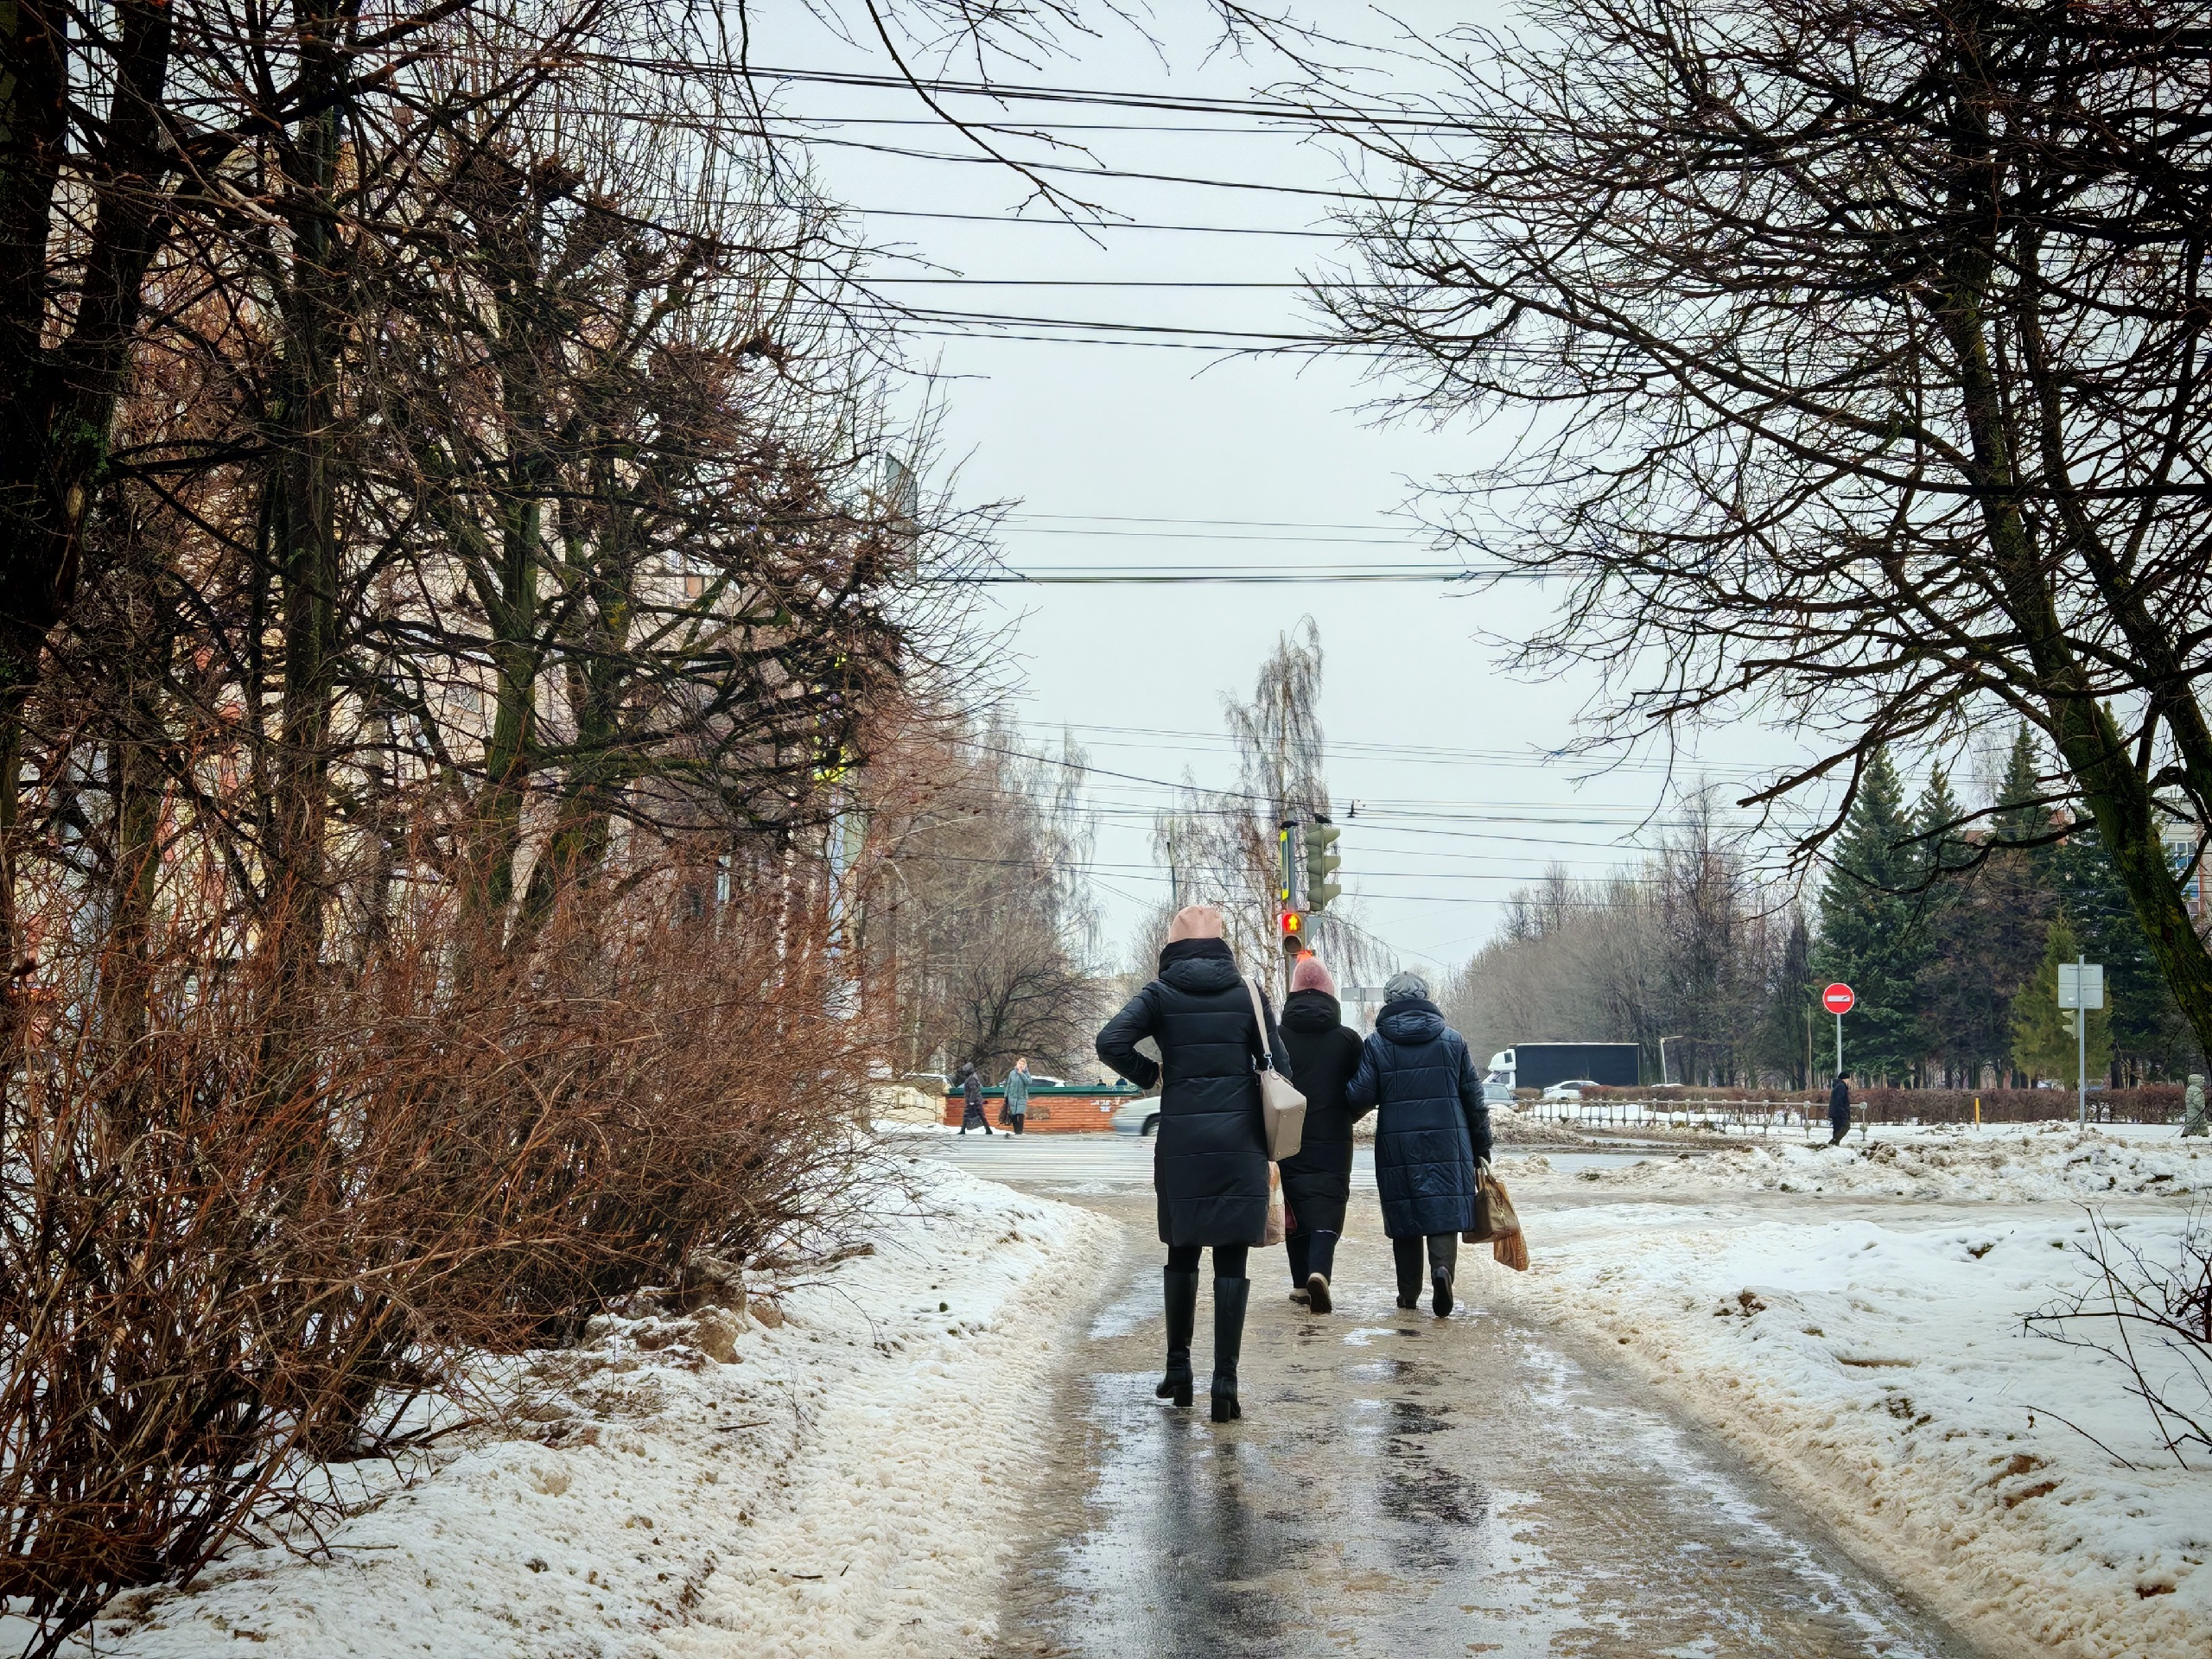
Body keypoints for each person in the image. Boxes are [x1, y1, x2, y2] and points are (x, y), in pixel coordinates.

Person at [1096, 904, 1288, 1423]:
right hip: (1240, 1141)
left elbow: (1109, 1041)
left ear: (1173, 945)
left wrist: (1152, 1073)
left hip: (1181, 1140)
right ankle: (1224, 1383)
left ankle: (1178, 1371)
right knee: (1231, 1256)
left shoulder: (1160, 994)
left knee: (1181, 1251)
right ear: (1221, 943)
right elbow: (1283, 1067)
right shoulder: (1248, 993)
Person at [1347, 971, 1491, 1318]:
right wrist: (1482, 1145)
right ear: (1426, 997)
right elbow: (1475, 1098)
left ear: (1390, 1002)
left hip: (1400, 1145)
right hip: (1449, 1141)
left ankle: (1408, 1294)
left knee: (1406, 1214)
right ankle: (1442, 1273)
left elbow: (1360, 1095)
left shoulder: (1378, 1043)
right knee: (1441, 1213)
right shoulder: (1453, 1040)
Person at [1276, 954, 1366, 1314]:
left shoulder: (1277, 1037)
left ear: (1293, 994)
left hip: (1286, 1134)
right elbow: (1362, 1089)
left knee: (1294, 1206)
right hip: (1333, 1135)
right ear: (1330, 996)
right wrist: (1349, 1114)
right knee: (1328, 1204)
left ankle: (1300, 1285)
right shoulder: (1347, 1040)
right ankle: (1319, 1272)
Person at [957, 1062, 993, 1135]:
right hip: (975, 1099)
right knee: (978, 1114)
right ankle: (988, 1129)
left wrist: (971, 1101)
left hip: (973, 1100)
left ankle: (963, 1130)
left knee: (970, 1114)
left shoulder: (971, 1078)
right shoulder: (973, 1076)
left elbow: (974, 1090)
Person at [1003, 1058, 1032, 1135]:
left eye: (1023, 1064)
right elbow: (1008, 1084)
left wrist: (1021, 1074)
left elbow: (1029, 1082)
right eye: (1020, 1064)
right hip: (1012, 1097)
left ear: (1025, 1066)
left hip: (1022, 1097)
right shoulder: (1012, 1073)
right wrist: (1006, 1096)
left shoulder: (1026, 1073)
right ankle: (1016, 1130)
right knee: (1013, 1114)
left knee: (1020, 1114)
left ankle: (1020, 1131)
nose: (1021, 1066)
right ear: (1017, 1064)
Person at [1828, 1072, 1851, 1146]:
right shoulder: (1841, 1086)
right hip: (1840, 1112)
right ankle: (1834, 1141)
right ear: (1844, 1079)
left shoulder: (1837, 1086)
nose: (1848, 1081)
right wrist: (1844, 1112)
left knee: (1837, 1128)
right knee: (1846, 1126)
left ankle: (1835, 1144)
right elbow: (1840, 1100)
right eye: (1848, 1079)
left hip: (1835, 1111)